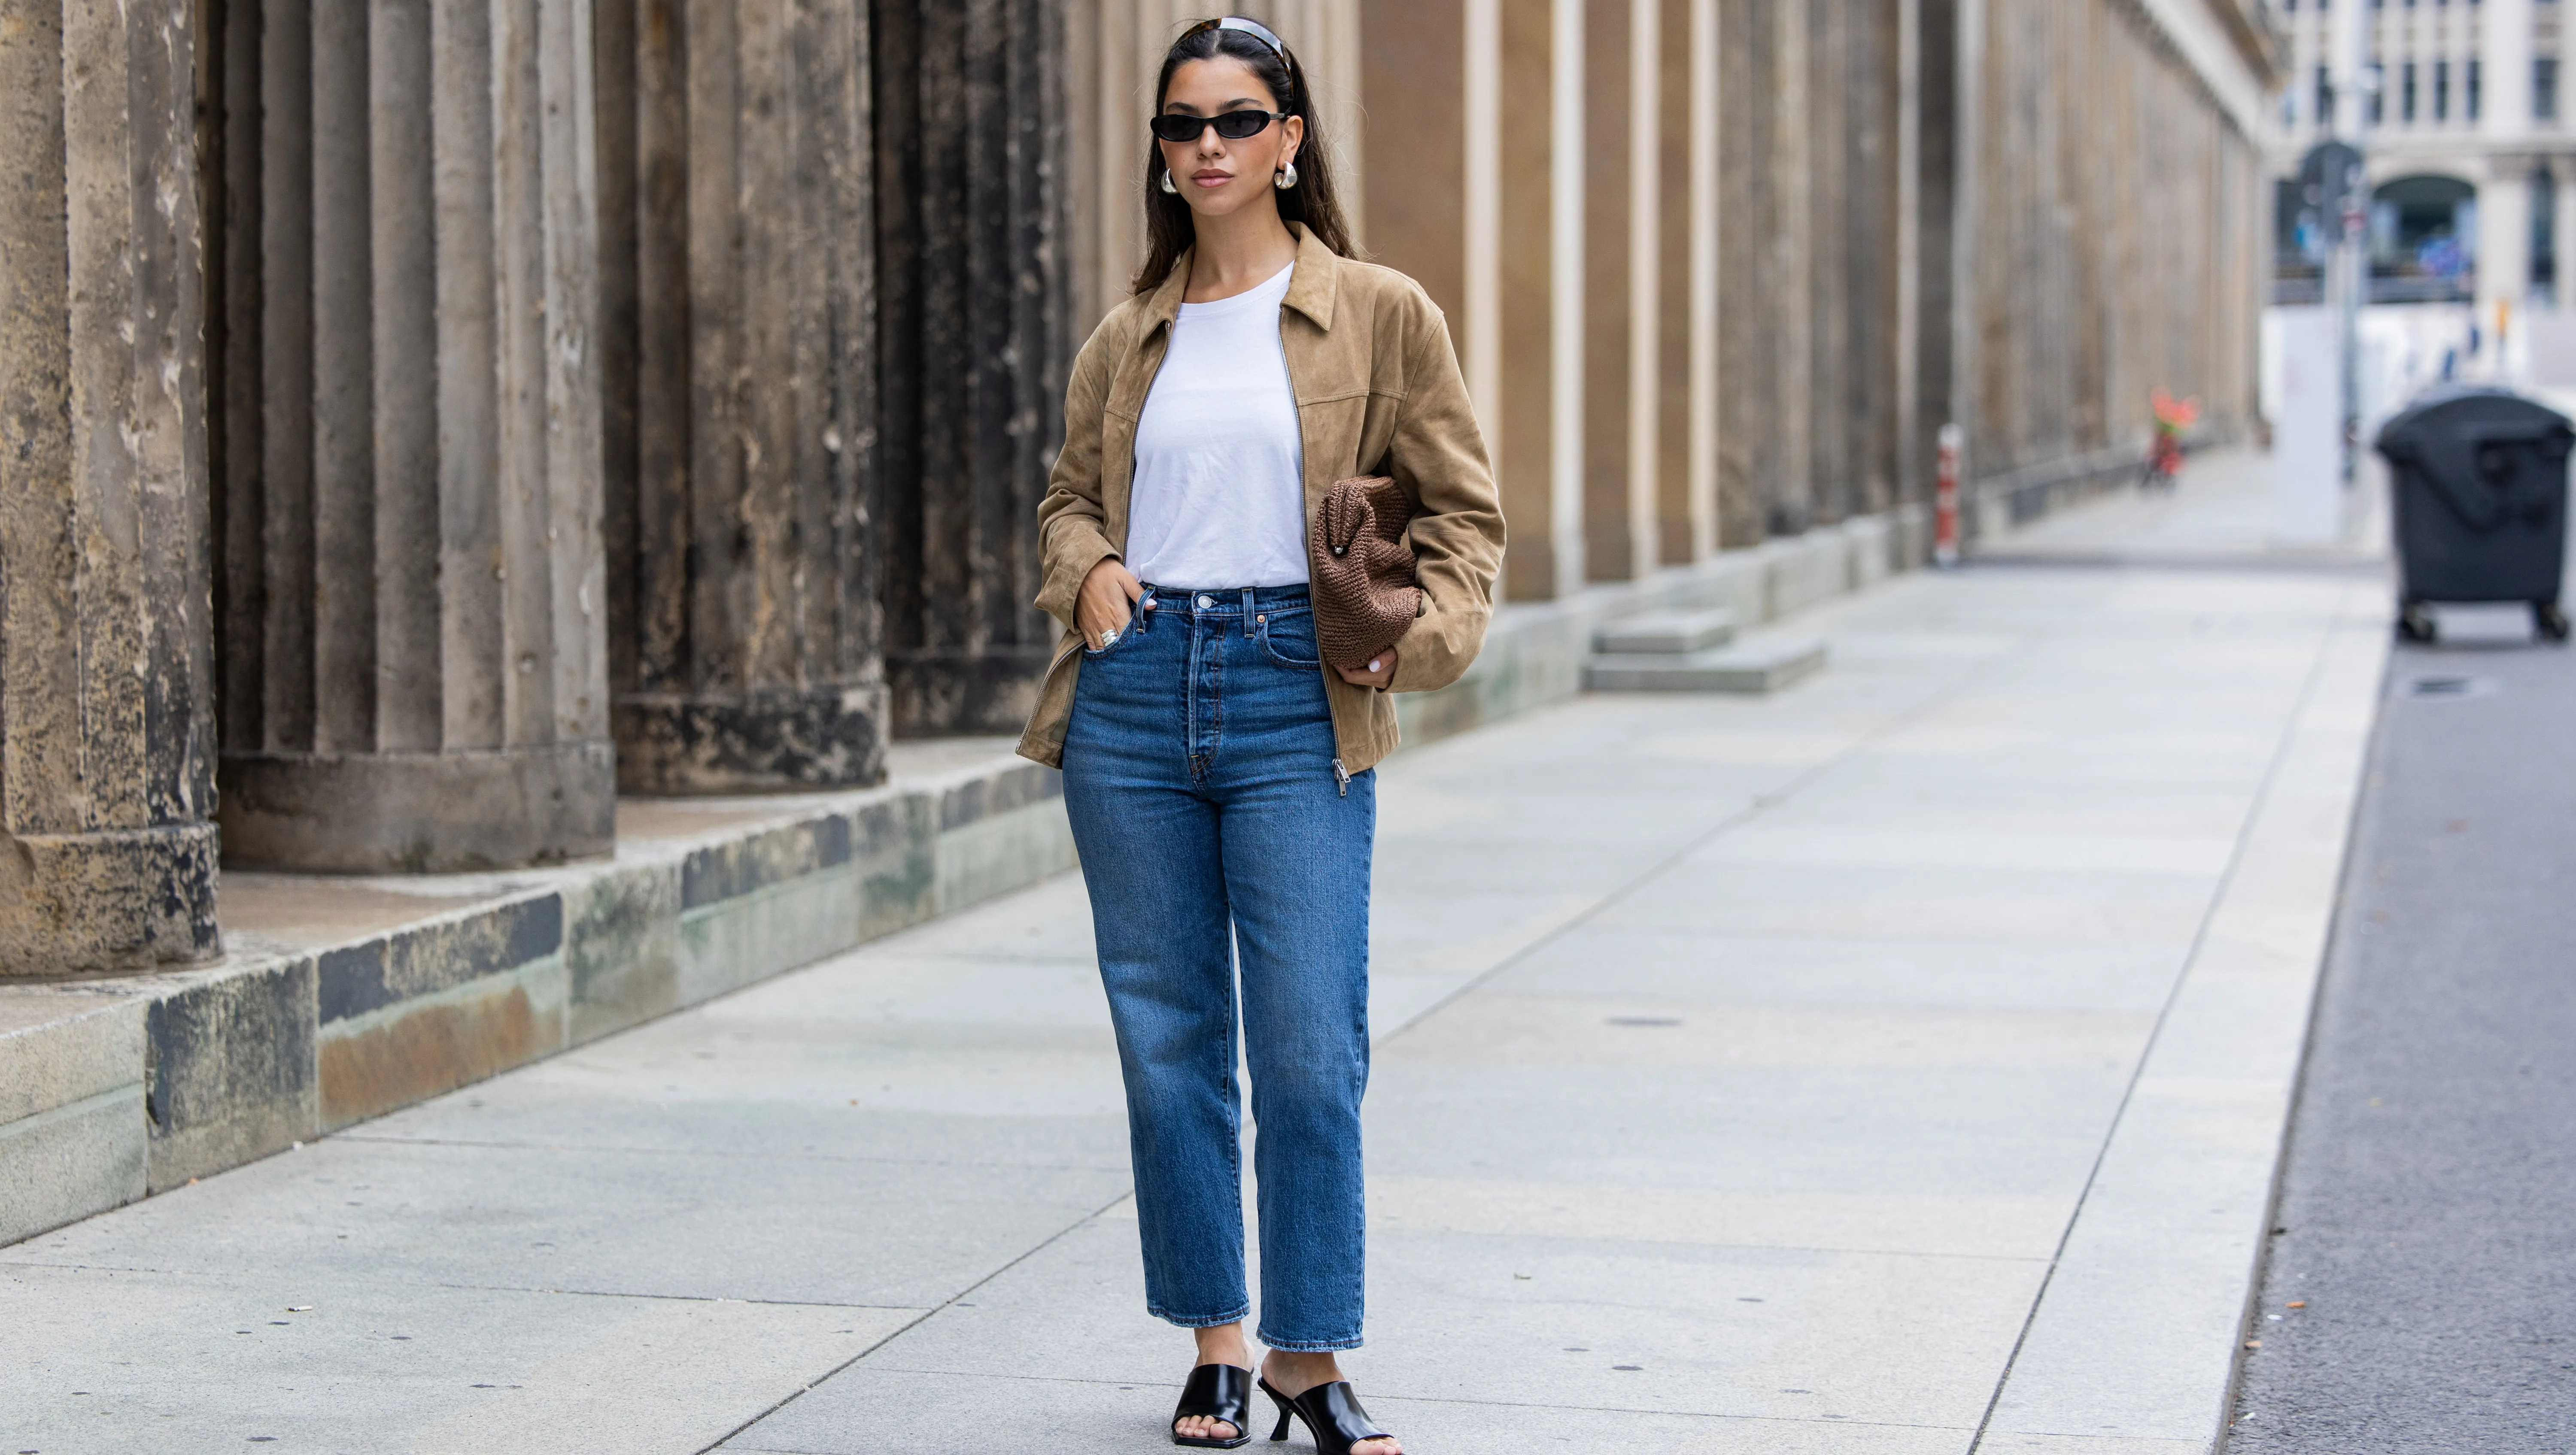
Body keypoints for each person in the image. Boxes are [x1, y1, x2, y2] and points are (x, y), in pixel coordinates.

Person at [1014, 15, 1504, 1454]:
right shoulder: (1131, 336)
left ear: (1291, 138)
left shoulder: (1381, 312)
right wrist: (1091, 572)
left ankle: (1310, 1349)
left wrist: (1409, 646)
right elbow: (1066, 502)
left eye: (1238, 119)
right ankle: (1218, 1340)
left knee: (1307, 1043)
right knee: (1168, 1037)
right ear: (1162, 156)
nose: (1209, 146)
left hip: (1300, 690)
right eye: (1183, 125)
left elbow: (1465, 515)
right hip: (1136, 694)